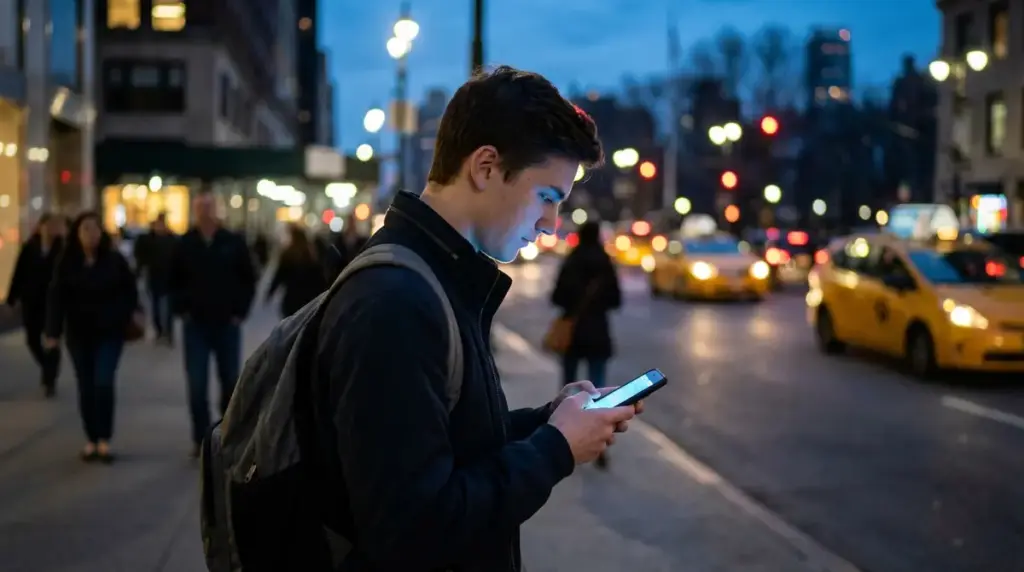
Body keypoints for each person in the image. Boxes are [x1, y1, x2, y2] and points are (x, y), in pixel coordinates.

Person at [312, 65, 639, 571]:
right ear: (486, 167)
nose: (551, 225)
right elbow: (415, 530)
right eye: (547, 197)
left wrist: (547, 421)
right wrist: (555, 449)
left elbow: (440, 443)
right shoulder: (395, 301)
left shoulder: (433, 276)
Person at [168, 192, 258, 457]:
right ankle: (201, 439)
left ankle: (228, 435)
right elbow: (172, 280)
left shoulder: (232, 242)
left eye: (209, 206)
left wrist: (240, 311)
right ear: (194, 211)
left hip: (227, 324)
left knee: (230, 381)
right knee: (197, 385)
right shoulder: (186, 243)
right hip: (196, 325)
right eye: (200, 207)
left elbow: (249, 278)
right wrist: (181, 309)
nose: (205, 212)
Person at [44, 212, 138, 462]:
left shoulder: (114, 261)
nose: (90, 234)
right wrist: (52, 332)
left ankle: (105, 439)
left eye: (94, 229)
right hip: (78, 335)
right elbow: (57, 298)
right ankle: (92, 439)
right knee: (86, 386)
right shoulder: (67, 263)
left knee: (103, 382)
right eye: (85, 229)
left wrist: (121, 314)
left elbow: (130, 292)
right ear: (76, 233)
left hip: (109, 334)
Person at [551, 220, 622, 467]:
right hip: (598, 332)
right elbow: (615, 300)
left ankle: (561, 437)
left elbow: (557, 296)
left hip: (574, 334)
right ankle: (599, 445)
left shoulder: (572, 261)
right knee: (598, 389)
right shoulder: (605, 262)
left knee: (570, 386)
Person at [7, 213, 67, 396]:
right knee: (32, 339)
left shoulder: (63, 249)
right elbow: (19, 272)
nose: (51, 229)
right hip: (31, 300)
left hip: (53, 303)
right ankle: (47, 367)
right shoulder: (30, 247)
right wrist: (12, 297)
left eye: (54, 225)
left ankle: (49, 379)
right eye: (48, 225)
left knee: (52, 340)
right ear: (41, 226)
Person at [134, 212, 178, 344]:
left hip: (169, 278)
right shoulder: (149, 239)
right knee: (156, 306)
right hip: (154, 277)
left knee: (168, 307)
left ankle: (168, 332)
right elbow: (141, 256)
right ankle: (160, 330)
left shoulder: (171, 239)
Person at [266, 224, 328, 318]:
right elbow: (320, 279)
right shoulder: (312, 255)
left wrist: (270, 292)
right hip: (309, 299)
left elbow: (279, 275)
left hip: (291, 298)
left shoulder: (288, 254)